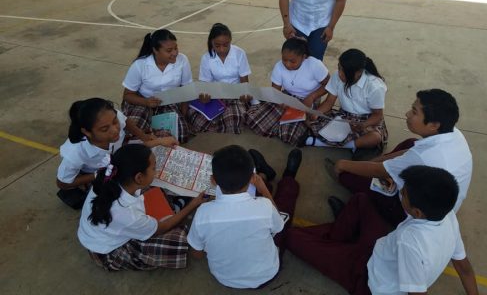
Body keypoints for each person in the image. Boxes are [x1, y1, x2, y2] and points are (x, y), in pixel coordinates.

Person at [286, 166, 479, 295]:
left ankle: (337, 246)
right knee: (361, 201)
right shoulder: (449, 217)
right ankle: (338, 239)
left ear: (417, 212)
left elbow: (417, 293)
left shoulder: (410, 241)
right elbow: (465, 269)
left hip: (365, 275)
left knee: (291, 236)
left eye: (403, 195)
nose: (400, 194)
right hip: (381, 250)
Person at [327, 89, 472, 227]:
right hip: (438, 200)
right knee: (410, 143)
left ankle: (373, 210)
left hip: (418, 213)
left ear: (434, 125)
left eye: (414, 112)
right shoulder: (454, 133)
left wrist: (343, 164)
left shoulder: (424, 156)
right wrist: (380, 161)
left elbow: (379, 171)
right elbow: (409, 153)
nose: (407, 114)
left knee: (349, 176)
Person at [187, 145, 302, 289]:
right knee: (284, 211)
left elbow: (196, 254)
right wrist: (262, 188)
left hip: (224, 278)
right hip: (268, 274)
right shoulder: (264, 206)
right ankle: (287, 177)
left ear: (213, 181)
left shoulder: (202, 214)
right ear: (252, 178)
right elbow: (278, 226)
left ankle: (266, 174)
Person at [77, 144, 205, 271]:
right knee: (180, 240)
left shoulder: (108, 179)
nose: (157, 170)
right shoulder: (127, 214)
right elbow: (162, 228)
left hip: (101, 232)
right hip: (106, 251)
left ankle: (177, 206)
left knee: (157, 192)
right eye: (154, 168)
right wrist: (193, 205)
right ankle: (179, 206)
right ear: (139, 177)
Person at [56, 98, 177, 209]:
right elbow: (63, 183)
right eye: (104, 129)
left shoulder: (112, 117)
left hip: (117, 157)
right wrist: (98, 174)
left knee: (160, 141)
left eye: (115, 122)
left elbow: (125, 120)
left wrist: (144, 137)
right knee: (139, 192)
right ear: (87, 132)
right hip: (102, 173)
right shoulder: (75, 153)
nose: (115, 130)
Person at [304, 49, 388, 159]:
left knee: (375, 138)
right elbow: (329, 102)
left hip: (367, 120)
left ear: (358, 73)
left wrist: (363, 125)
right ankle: (353, 145)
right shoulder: (337, 77)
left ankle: (322, 143)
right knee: (309, 120)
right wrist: (316, 114)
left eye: (344, 71)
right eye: (339, 68)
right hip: (345, 116)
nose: (339, 73)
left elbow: (378, 115)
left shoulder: (375, 86)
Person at [245, 37, 329, 146]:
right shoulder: (279, 66)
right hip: (287, 97)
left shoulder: (314, 64)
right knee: (253, 120)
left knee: (288, 135)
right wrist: (281, 101)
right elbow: (275, 91)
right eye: (284, 59)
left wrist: (312, 96)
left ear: (303, 57)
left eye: (293, 61)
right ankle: (283, 126)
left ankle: (286, 128)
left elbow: (328, 85)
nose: (287, 64)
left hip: (308, 100)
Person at [122, 29, 193, 143]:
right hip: (142, 101)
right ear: (155, 50)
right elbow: (128, 95)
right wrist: (146, 102)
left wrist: (183, 115)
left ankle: (155, 136)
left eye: (176, 48)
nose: (175, 53)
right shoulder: (140, 65)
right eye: (169, 50)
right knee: (134, 134)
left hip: (170, 101)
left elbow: (186, 90)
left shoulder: (182, 60)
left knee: (181, 134)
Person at [188, 23, 252, 134]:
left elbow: (244, 82)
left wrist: (244, 95)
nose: (222, 49)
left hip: (235, 95)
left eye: (226, 45)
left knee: (234, 119)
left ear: (230, 40)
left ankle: (223, 122)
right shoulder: (206, 58)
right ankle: (222, 123)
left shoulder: (239, 53)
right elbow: (205, 85)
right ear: (211, 43)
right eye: (217, 46)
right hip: (215, 96)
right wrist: (205, 97)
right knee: (197, 120)